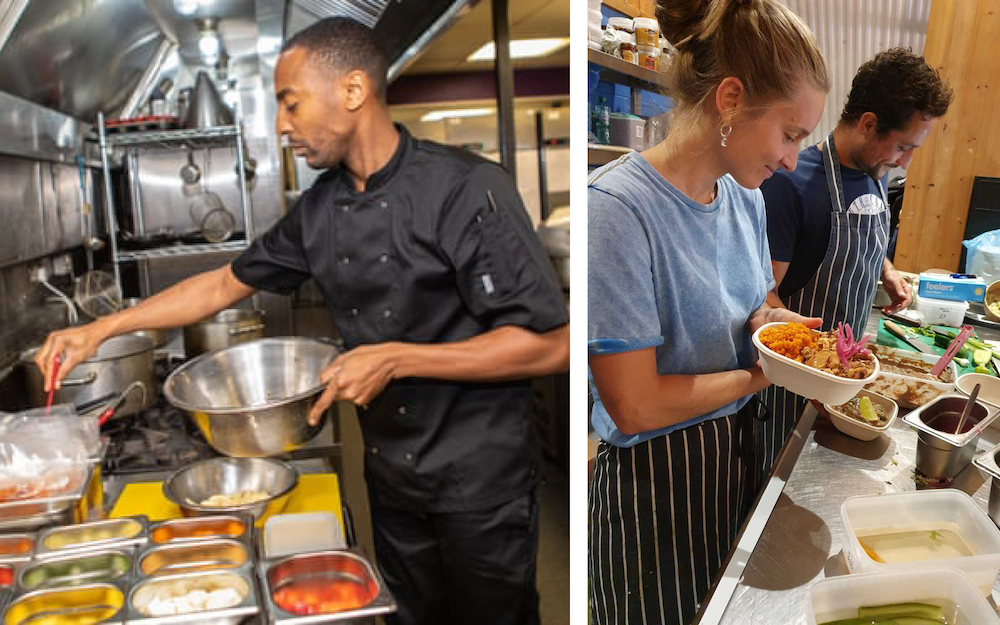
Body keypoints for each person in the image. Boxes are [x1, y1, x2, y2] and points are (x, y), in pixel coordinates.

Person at [36, 18, 569, 625]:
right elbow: (219, 284)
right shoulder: (319, 208)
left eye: (290, 104)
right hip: (393, 479)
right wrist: (101, 329)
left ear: (352, 91)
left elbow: (553, 344)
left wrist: (398, 357)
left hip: (482, 481)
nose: (281, 126)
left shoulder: (467, 189)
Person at [587, 1, 828, 623]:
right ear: (730, 100)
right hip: (655, 490)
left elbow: (756, 300)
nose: (791, 160)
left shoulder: (743, 197)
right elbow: (634, 404)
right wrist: (768, 375)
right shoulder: (617, 211)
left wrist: (777, 328)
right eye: (790, 134)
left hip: (734, 459)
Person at [758, 47, 953, 451]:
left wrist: (887, 270)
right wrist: (815, 369)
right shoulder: (791, 185)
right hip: (793, 390)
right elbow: (762, 293)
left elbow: (859, 232)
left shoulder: (873, 170)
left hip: (846, 377)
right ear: (868, 124)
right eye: (904, 146)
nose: (907, 163)